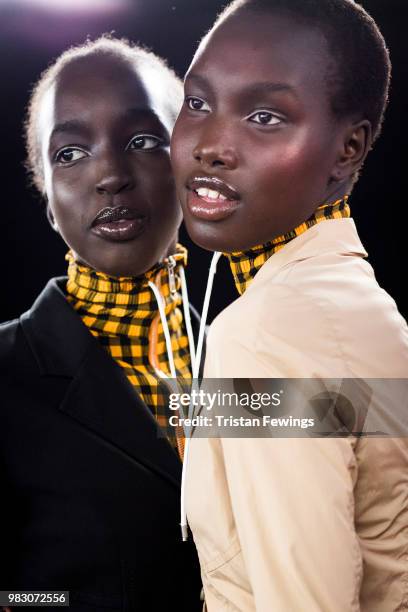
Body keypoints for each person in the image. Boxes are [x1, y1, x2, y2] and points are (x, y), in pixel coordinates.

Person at [170, 0, 408, 610]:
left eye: (265, 116)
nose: (211, 146)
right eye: (197, 102)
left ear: (347, 149)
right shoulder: (363, 304)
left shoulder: (264, 334)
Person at [0, 36, 202, 611]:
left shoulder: (242, 354)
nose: (110, 174)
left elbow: (377, 475)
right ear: (47, 195)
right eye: (69, 154)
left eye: (143, 141)